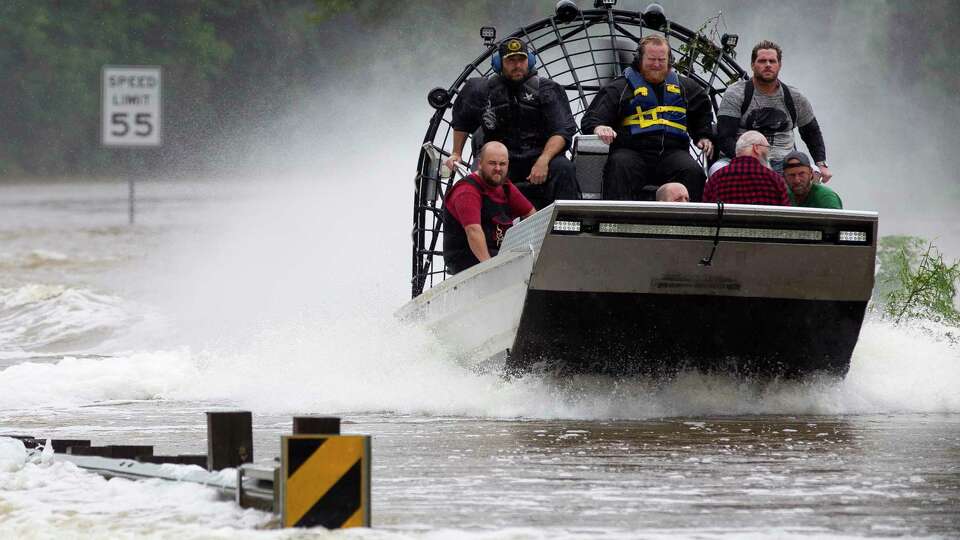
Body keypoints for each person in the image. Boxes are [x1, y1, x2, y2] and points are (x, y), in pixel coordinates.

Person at [444, 38, 579, 209]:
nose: (517, 66)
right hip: (501, 157)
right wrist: (456, 152)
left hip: (540, 155)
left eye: (521, 60)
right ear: (500, 64)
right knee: (486, 173)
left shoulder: (548, 89)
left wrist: (544, 160)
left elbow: (562, 130)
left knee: (564, 168)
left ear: (529, 61)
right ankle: (489, 228)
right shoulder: (480, 90)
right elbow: (462, 120)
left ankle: (565, 225)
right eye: (511, 61)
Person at [580, 35, 714, 202]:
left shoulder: (687, 88)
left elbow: (702, 113)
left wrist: (703, 135)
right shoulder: (619, 87)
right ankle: (616, 221)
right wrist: (599, 127)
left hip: (672, 153)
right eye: (651, 60)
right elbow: (591, 118)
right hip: (632, 152)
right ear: (639, 59)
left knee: (692, 171)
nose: (657, 65)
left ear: (670, 60)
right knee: (619, 165)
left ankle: (688, 225)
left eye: (661, 60)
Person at [717, 40, 832, 181]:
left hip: (784, 161)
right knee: (717, 171)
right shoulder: (736, 93)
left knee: (814, 174)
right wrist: (752, 163)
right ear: (753, 65)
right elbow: (725, 136)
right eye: (762, 61)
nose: (768, 65)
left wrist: (822, 164)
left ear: (779, 65)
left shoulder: (795, 97)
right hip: (740, 159)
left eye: (772, 61)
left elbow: (811, 132)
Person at [442, 142, 536, 274]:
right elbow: (473, 231)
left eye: (502, 164)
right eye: (492, 163)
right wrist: (490, 269)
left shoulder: (505, 187)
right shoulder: (467, 190)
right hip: (466, 259)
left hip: (498, 253)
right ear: (480, 163)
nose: (498, 168)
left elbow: (533, 216)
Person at [703, 131, 790, 206]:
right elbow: (786, 214)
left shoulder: (715, 179)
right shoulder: (775, 180)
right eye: (767, 147)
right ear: (756, 148)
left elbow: (706, 212)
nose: (768, 152)